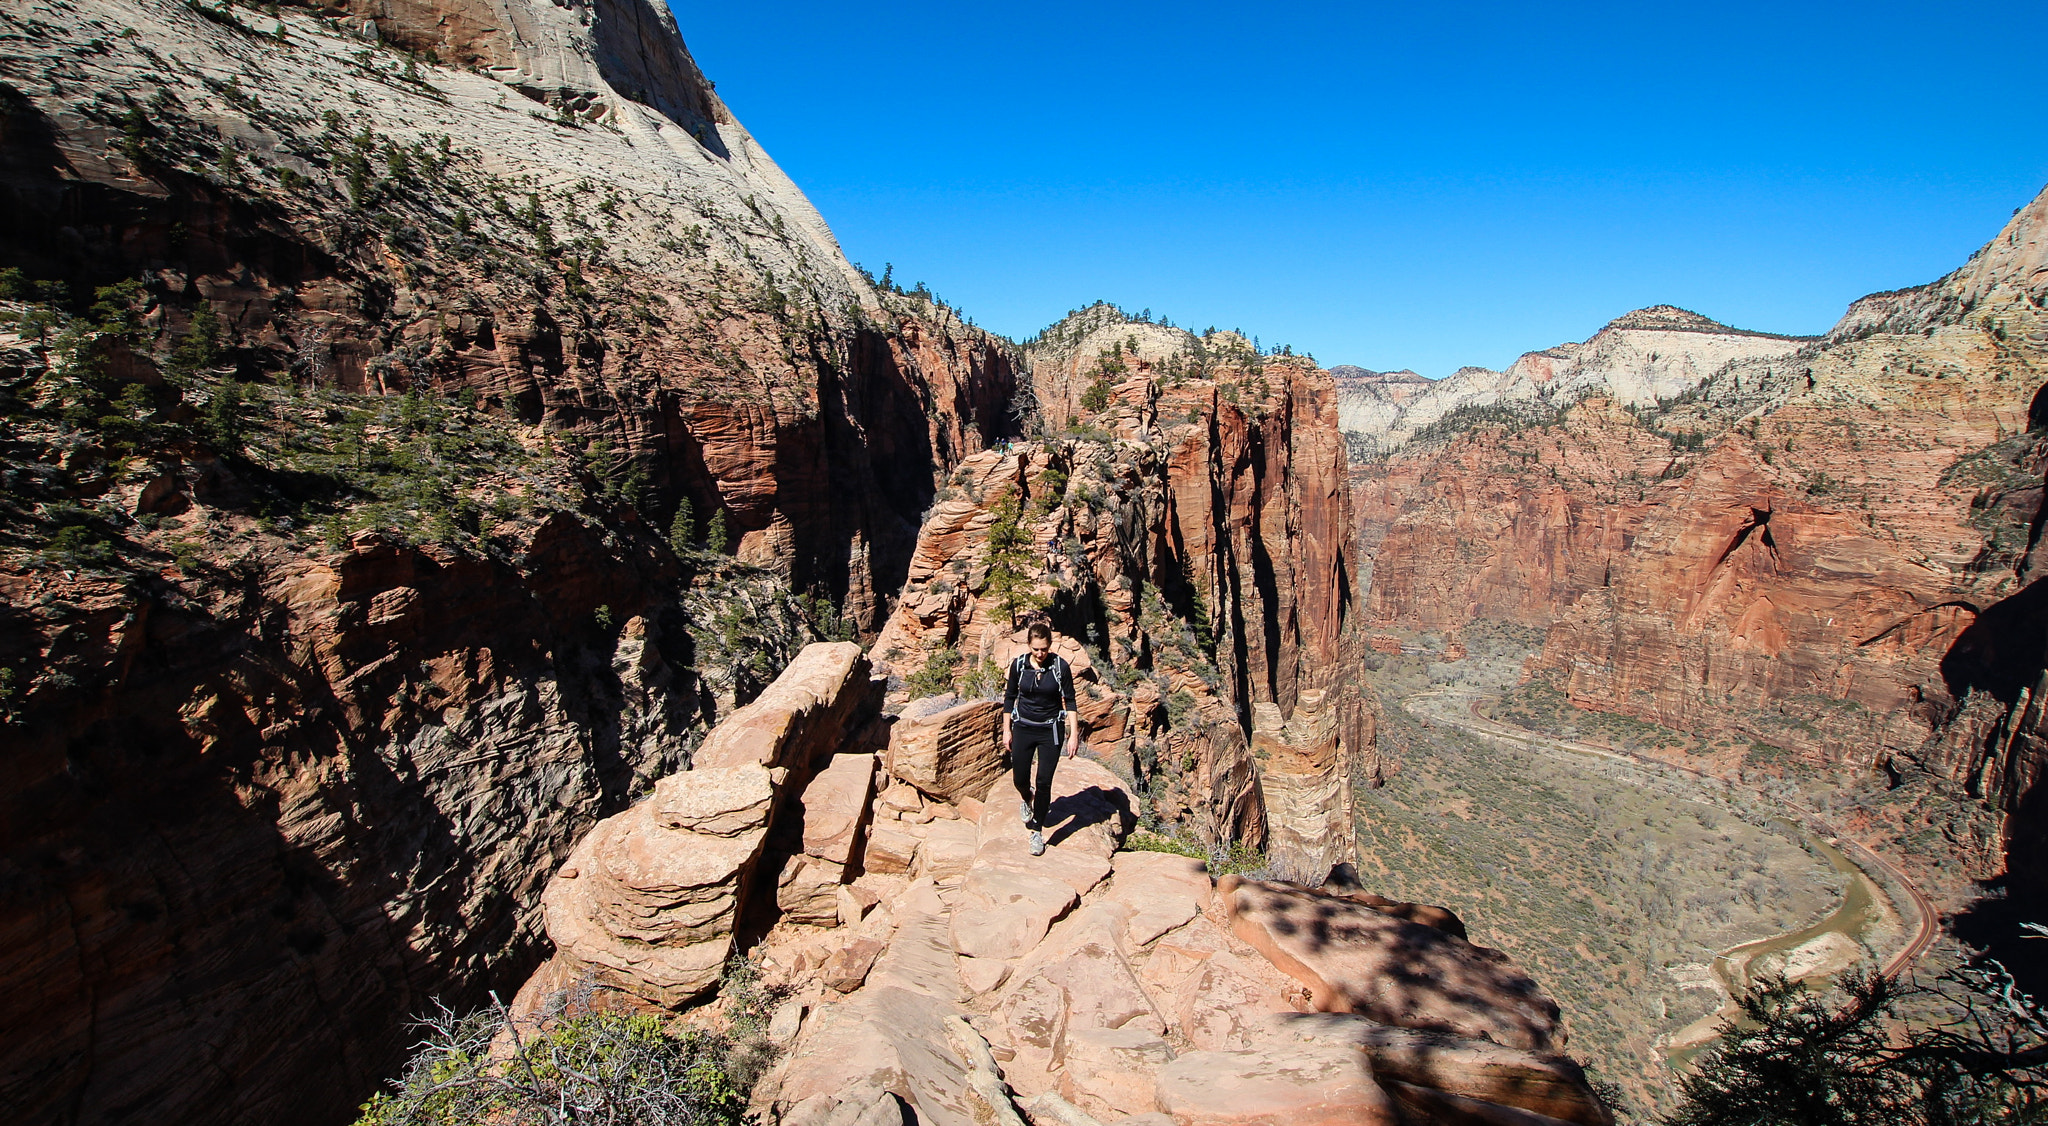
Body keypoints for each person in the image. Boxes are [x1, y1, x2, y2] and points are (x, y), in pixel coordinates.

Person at [1002, 622, 1078, 856]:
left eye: (1044, 649)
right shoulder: (1019, 665)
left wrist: (1073, 734)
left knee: (1044, 781)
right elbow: (1009, 697)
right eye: (1036, 649)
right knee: (1020, 779)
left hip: (1050, 730)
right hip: (1024, 726)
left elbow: (1070, 701)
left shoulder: (1060, 667)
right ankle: (1027, 797)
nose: (1040, 653)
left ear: (1049, 646)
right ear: (1029, 646)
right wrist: (1007, 729)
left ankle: (1037, 831)